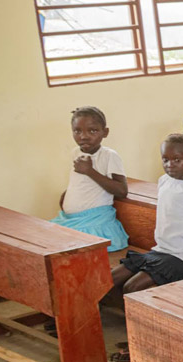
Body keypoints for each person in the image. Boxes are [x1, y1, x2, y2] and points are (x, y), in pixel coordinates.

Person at [109, 134, 183, 362]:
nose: (170, 165)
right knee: (111, 278)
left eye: (176, 159)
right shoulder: (163, 181)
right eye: (165, 159)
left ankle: (141, 343)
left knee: (132, 287)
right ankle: (141, 333)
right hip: (160, 251)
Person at [50, 106, 129, 252]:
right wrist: (68, 194)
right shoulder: (75, 152)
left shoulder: (109, 156)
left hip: (95, 221)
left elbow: (122, 190)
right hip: (70, 219)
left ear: (105, 132)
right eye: (77, 131)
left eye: (92, 131)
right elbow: (81, 182)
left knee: (71, 250)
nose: (84, 136)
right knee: (45, 240)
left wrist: (90, 171)